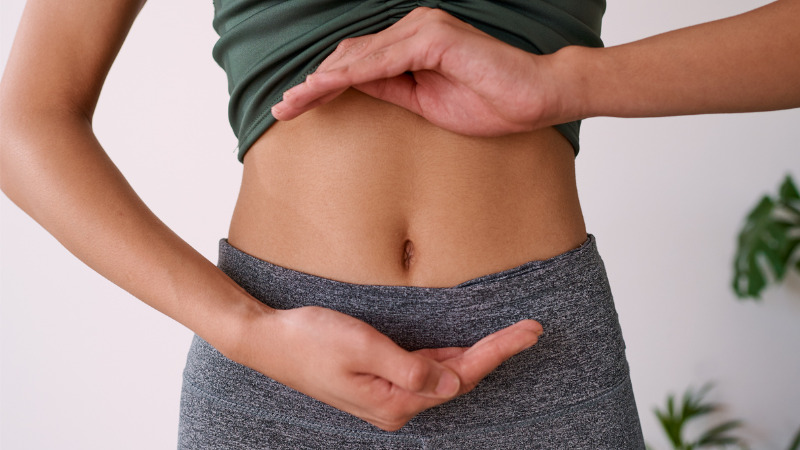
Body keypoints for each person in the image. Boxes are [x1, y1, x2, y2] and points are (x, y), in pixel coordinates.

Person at [1, 0, 798, 449]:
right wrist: (243, 331)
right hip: (275, 364)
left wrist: (567, 83)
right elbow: (25, 121)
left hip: (537, 358)